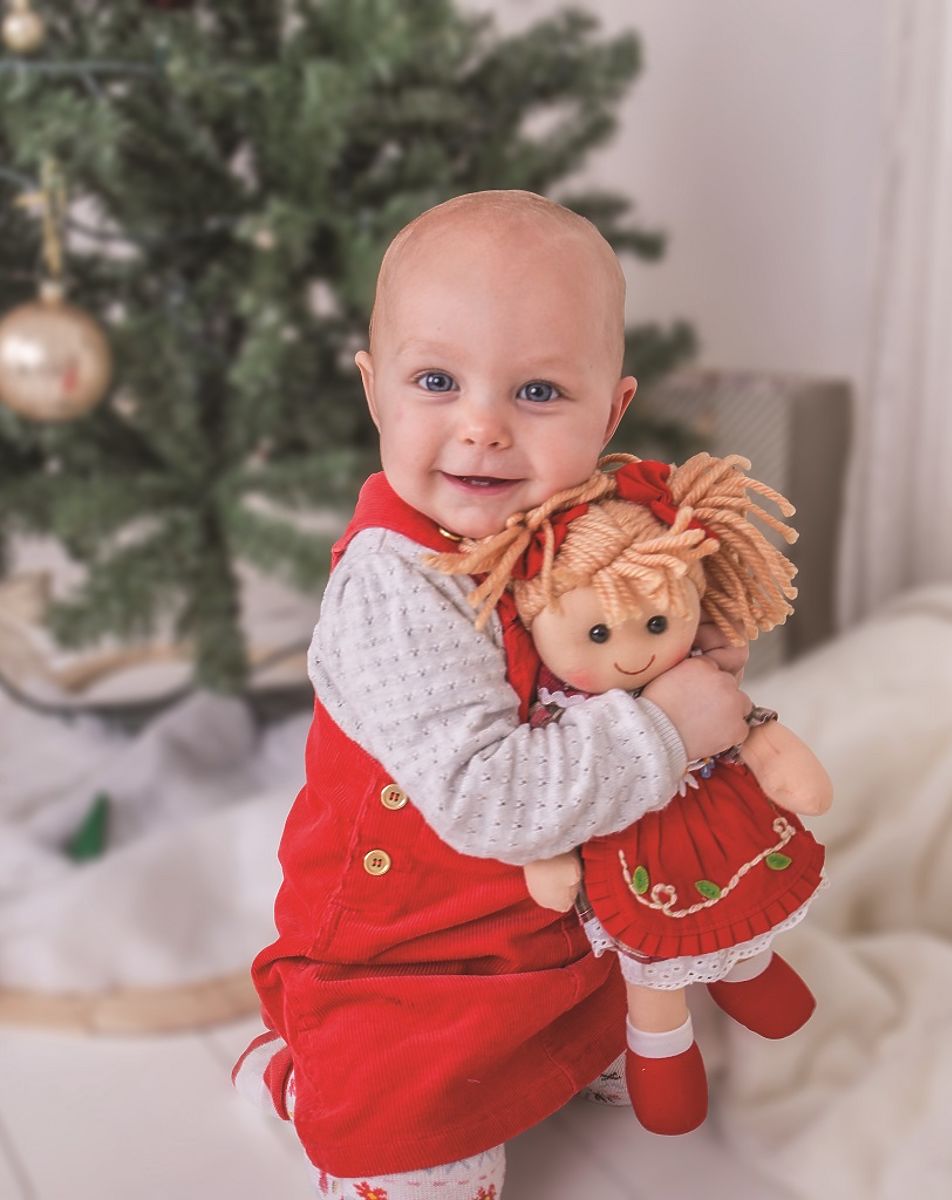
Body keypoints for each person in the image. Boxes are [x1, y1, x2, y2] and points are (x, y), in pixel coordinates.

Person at [232, 190, 753, 1199]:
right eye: (436, 381)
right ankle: (299, 1073)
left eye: (539, 392)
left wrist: (688, 662)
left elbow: (617, 661)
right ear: (375, 391)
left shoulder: (588, 532)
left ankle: (548, 1044)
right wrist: (664, 728)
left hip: (552, 936)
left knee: (610, 1027)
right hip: (408, 966)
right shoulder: (395, 588)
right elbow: (488, 800)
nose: (481, 429)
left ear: (611, 414)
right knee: (421, 1157)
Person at [431, 451, 831, 1137]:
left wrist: (774, 755)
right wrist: (547, 854)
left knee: (743, 910)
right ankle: (665, 1055)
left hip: (723, 829)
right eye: (596, 633)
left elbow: (748, 722)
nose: (632, 652)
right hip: (638, 856)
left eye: (655, 622)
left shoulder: (697, 673)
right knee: (655, 974)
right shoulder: (560, 721)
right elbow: (545, 788)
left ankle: (748, 971)